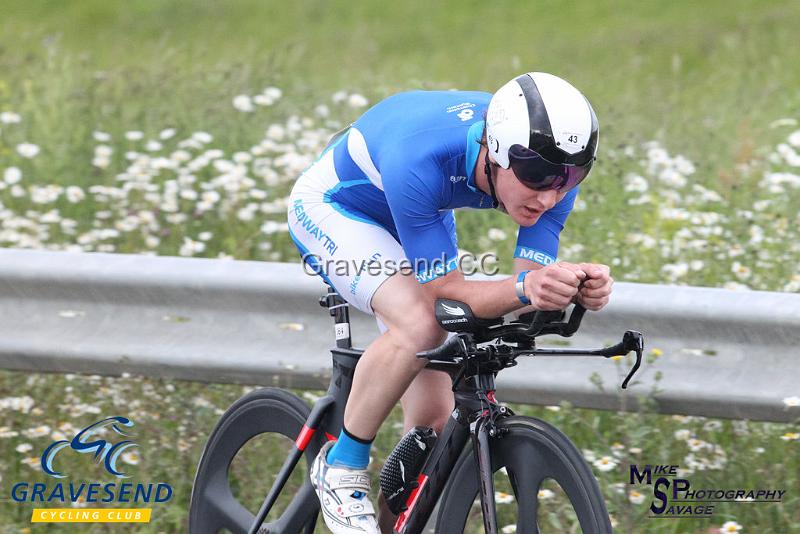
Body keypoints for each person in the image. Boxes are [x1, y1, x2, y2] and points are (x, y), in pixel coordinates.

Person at [287, 72, 613, 533]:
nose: (549, 196)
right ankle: (342, 465)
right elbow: (446, 296)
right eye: (536, 176)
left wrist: (572, 287)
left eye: (570, 178)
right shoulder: (423, 159)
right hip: (339, 208)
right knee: (422, 325)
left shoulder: (556, 171)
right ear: (495, 152)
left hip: (418, 213)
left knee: (433, 428)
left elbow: (525, 290)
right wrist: (528, 288)